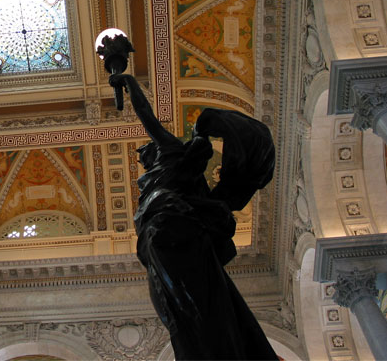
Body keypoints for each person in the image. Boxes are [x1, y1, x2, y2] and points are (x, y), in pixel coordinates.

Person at [110, 73, 278, 360]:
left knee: (190, 308)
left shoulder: (172, 153)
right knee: (177, 313)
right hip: (156, 240)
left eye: (145, 151)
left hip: (172, 229)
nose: (142, 155)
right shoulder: (158, 178)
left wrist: (129, 83)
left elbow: (146, 116)